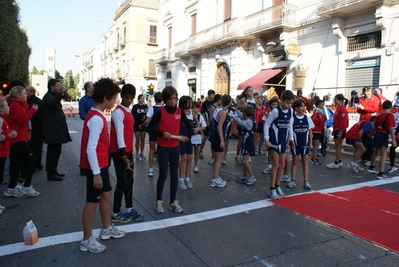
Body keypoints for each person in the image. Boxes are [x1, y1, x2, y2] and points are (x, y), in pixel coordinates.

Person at [79, 78, 125, 254]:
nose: (115, 102)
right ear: (105, 98)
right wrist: (96, 173)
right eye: (113, 98)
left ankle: (106, 229)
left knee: (106, 193)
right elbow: (91, 149)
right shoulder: (97, 119)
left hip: (100, 165)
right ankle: (87, 240)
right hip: (95, 167)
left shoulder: (95, 114)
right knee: (92, 202)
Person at [146, 86, 192, 214]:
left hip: (175, 148)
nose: (173, 101)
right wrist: (161, 133)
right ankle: (159, 200)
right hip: (163, 148)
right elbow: (149, 128)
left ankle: (173, 201)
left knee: (174, 175)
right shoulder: (160, 112)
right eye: (170, 99)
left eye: (175, 98)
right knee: (163, 174)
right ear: (165, 100)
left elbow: (189, 126)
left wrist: (187, 137)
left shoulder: (179, 111)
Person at [109, 83, 143, 223]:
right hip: (120, 152)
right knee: (122, 181)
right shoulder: (118, 112)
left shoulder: (128, 111)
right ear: (122, 96)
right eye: (126, 97)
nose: (128, 100)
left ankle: (129, 208)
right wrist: (123, 155)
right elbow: (119, 134)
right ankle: (116, 212)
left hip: (127, 151)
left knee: (130, 180)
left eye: (131, 98)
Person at [4, 86, 39, 197]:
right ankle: (26, 185)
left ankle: (11, 187)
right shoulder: (15, 105)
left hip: (19, 137)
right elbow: (23, 119)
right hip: (17, 138)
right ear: (18, 95)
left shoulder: (20, 104)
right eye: (24, 93)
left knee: (17, 164)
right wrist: (32, 111)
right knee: (31, 160)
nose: (26, 95)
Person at [264, 90, 295, 199]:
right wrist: (267, 139)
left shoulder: (291, 111)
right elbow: (267, 124)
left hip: (283, 141)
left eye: (291, 103)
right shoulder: (276, 111)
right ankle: (271, 189)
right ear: (281, 101)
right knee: (276, 165)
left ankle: (277, 186)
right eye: (287, 102)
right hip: (274, 141)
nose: (289, 105)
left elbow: (290, 126)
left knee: (282, 165)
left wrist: (291, 139)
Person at [42, 79, 72, 181]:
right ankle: (50, 173)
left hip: (57, 129)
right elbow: (51, 103)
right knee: (52, 153)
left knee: (57, 151)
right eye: (58, 86)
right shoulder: (48, 96)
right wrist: (62, 93)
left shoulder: (53, 96)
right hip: (52, 130)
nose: (59, 88)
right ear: (52, 87)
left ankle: (54, 170)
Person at [287, 99, 314, 190]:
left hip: (305, 144)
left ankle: (306, 181)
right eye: (302, 106)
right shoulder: (292, 118)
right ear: (296, 108)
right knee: (294, 162)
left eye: (304, 106)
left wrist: (311, 143)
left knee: (305, 162)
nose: (304, 108)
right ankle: (293, 180)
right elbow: (290, 131)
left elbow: (310, 131)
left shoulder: (307, 118)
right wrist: (289, 143)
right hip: (295, 144)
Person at [367, 100, 396, 179]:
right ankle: (381, 173)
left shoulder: (379, 115)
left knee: (376, 152)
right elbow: (390, 128)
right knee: (383, 154)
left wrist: (371, 134)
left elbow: (375, 126)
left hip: (377, 134)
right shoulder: (390, 116)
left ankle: (372, 166)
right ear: (391, 107)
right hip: (383, 134)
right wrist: (393, 139)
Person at [208, 94, 232, 188]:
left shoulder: (218, 109)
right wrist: (222, 140)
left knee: (217, 158)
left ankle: (216, 176)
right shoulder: (222, 112)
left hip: (213, 136)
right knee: (219, 158)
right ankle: (214, 180)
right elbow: (219, 126)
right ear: (230, 102)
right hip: (218, 137)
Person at [0, 98, 17, 210]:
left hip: (3, 152)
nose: (9, 107)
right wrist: (9, 136)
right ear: (1, 109)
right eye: (6, 105)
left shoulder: (3, 119)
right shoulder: (0, 120)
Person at [233, 105, 256, 185]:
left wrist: (233, 116)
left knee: (244, 161)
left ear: (245, 114)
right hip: (245, 142)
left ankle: (251, 176)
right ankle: (245, 175)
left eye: (243, 113)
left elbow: (241, 123)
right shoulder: (246, 117)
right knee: (244, 160)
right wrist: (236, 110)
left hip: (249, 142)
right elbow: (240, 115)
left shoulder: (248, 121)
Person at [326, 94, 348, 169]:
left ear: (340, 100)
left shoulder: (342, 109)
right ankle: (339, 160)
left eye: (336, 100)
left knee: (338, 146)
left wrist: (340, 132)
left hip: (339, 129)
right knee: (338, 146)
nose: (335, 102)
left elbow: (343, 122)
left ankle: (336, 162)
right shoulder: (339, 109)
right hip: (337, 129)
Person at [78, 82, 96, 175]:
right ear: (88, 88)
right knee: (87, 146)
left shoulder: (96, 98)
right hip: (89, 125)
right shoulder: (83, 100)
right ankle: (84, 166)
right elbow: (82, 115)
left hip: (96, 124)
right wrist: (92, 119)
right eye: (92, 86)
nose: (94, 87)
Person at [178, 96, 195, 190]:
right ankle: (181, 179)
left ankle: (187, 178)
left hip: (189, 138)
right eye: (188, 103)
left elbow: (197, 123)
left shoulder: (192, 113)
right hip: (181, 138)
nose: (190, 104)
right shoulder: (179, 113)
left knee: (190, 158)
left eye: (191, 102)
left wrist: (197, 128)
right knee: (183, 158)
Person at [26, 86, 44, 173]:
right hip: (31, 129)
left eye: (27, 91)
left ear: (32, 92)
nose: (25, 92)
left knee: (36, 148)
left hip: (37, 129)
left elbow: (41, 116)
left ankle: (37, 165)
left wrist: (30, 121)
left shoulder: (37, 102)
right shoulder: (27, 101)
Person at [144, 92, 163, 177]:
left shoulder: (152, 108)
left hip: (153, 131)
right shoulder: (165, 109)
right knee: (162, 150)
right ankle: (163, 169)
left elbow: (148, 120)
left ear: (154, 99)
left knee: (152, 150)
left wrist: (142, 125)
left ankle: (151, 169)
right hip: (162, 132)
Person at [262, 97, 279, 174]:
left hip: (276, 135)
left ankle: (276, 166)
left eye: (276, 104)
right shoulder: (267, 114)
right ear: (270, 105)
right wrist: (266, 137)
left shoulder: (279, 113)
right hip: (269, 135)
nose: (274, 106)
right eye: (273, 104)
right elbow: (265, 125)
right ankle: (269, 166)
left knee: (277, 152)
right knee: (268, 151)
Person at [199, 89, 215, 160]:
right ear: (209, 95)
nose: (213, 96)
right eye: (212, 95)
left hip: (213, 124)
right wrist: (205, 122)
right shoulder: (205, 103)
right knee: (205, 138)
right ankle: (200, 150)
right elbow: (202, 113)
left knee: (212, 140)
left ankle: (213, 155)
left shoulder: (215, 102)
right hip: (207, 123)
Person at [191, 101, 207, 173]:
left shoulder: (200, 117)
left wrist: (198, 129)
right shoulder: (189, 116)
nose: (194, 109)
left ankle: (196, 165)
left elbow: (204, 127)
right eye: (193, 108)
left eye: (196, 108)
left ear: (198, 109)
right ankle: (187, 165)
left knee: (196, 152)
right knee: (188, 153)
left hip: (197, 136)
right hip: (190, 136)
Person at [132, 94, 148, 161]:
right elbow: (133, 115)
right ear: (138, 99)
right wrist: (140, 117)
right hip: (137, 125)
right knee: (138, 140)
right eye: (141, 98)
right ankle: (137, 153)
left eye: (143, 98)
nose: (142, 99)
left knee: (143, 139)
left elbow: (148, 114)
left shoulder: (145, 106)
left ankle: (142, 152)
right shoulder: (135, 106)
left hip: (143, 125)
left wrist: (145, 117)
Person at [310, 99, 326, 165]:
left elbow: (325, 119)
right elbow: (314, 121)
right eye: (322, 104)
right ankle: (313, 158)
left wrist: (323, 116)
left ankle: (314, 157)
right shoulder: (316, 112)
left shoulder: (321, 112)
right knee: (316, 144)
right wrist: (319, 120)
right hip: (316, 130)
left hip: (320, 130)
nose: (323, 105)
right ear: (318, 105)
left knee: (317, 144)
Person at [207, 94, 221, 165]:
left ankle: (215, 157)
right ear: (218, 100)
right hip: (213, 127)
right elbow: (211, 119)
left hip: (215, 127)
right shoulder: (213, 108)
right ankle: (213, 157)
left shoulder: (218, 107)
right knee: (213, 143)